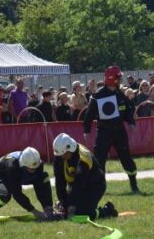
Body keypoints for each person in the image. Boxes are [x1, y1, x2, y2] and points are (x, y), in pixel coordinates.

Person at [82, 65, 140, 194]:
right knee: (99, 159)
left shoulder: (120, 94)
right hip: (103, 131)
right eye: (118, 77)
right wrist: (87, 130)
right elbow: (89, 114)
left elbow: (128, 110)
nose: (120, 80)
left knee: (126, 157)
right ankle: (99, 187)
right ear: (112, 78)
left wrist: (131, 122)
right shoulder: (98, 95)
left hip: (119, 131)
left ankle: (134, 184)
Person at [0, 147, 54, 220]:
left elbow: (40, 186)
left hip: (20, 174)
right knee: (5, 196)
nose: (33, 171)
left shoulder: (38, 163)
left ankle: (48, 208)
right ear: (24, 164)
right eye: (30, 169)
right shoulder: (12, 167)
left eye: (35, 168)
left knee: (43, 178)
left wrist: (47, 208)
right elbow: (17, 194)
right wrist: (34, 211)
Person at [52, 133, 117, 220]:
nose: (62, 157)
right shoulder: (60, 156)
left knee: (82, 213)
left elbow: (79, 184)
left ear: (70, 149)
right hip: (76, 185)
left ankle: (107, 211)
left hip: (94, 186)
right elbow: (59, 182)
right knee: (66, 209)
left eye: (64, 154)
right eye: (60, 155)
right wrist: (62, 201)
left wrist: (72, 205)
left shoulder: (82, 159)